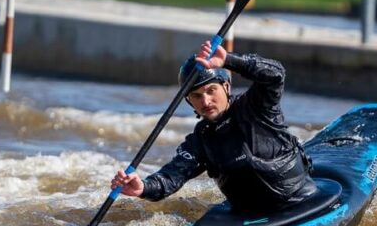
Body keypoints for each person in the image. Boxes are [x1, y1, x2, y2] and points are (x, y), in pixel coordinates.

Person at [110, 42, 317, 214]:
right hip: (248, 216)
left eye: (211, 90)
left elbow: (276, 74)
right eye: (197, 96)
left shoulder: (257, 106)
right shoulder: (200, 141)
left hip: (299, 201)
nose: (206, 101)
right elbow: (171, 177)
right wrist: (143, 187)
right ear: (189, 101)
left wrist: (229, 60)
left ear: (226, 87)